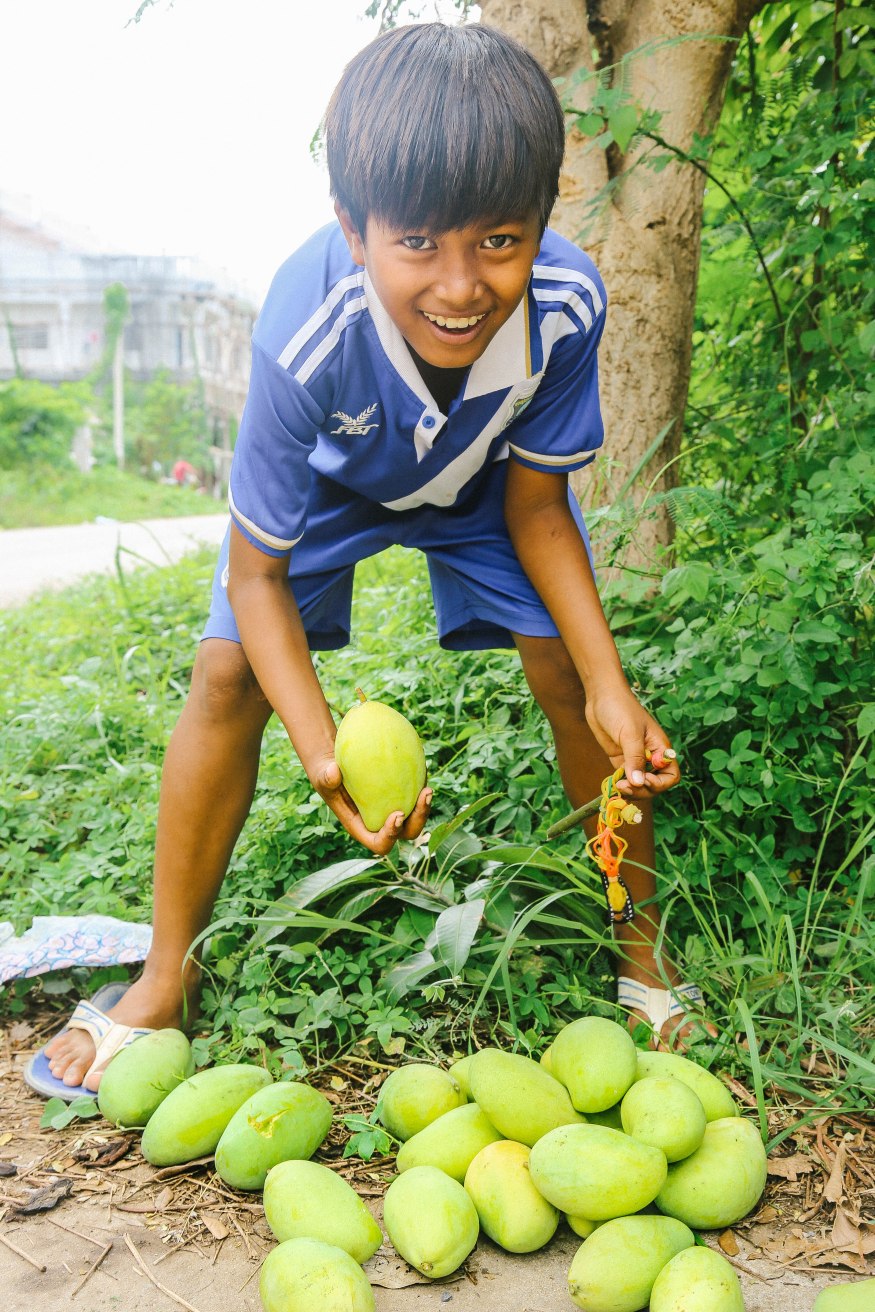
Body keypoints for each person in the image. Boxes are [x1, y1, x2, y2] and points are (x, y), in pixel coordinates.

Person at [42, 22, 707, 1094]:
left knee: (571, 674)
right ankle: (165, 975)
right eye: (419, 244)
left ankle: (640, 951)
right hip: (332, 492)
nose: (461, 286)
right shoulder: (304, 330)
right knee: (226, 672)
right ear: (353, 230)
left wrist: (609, 685)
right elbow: (256, 576)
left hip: (484, 487)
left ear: (544, 219)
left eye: (500, 240)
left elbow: (540, 508)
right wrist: (322, 751)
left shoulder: (567, 305)